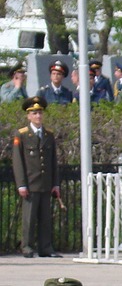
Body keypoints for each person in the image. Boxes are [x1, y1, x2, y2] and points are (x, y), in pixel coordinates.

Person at [12, 96, 61, 259]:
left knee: (46, 219)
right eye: (34, 113)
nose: (38, 116)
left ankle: (45, 248)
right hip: (30, 183)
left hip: (45, 183)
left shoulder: (48, 134)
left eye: (39, 113)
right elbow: (18, 161)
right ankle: (26, 246)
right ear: (28, 116)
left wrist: (55, 183)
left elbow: (53, 160)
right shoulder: (22, 134)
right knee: (29, 218)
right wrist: (21, 184)